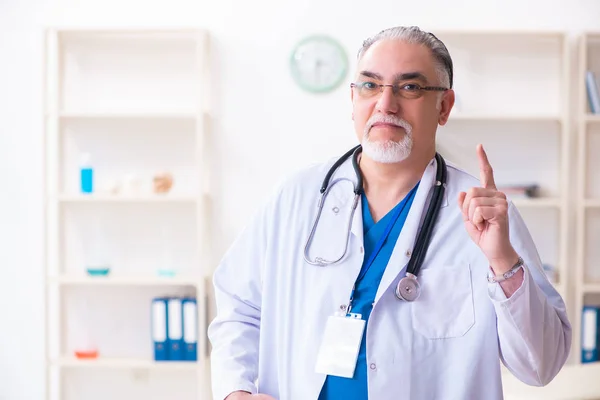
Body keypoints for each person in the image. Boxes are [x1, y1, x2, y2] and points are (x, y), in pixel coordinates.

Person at [207, 26, 572, 400]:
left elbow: (540, 366)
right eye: (370, 86)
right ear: (352, 99)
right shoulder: (295, 198)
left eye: (409, 87)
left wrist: (502, 261)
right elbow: (239, 308)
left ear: (443, 106)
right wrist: (236, 391)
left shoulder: (483, 214)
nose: (386, 103)